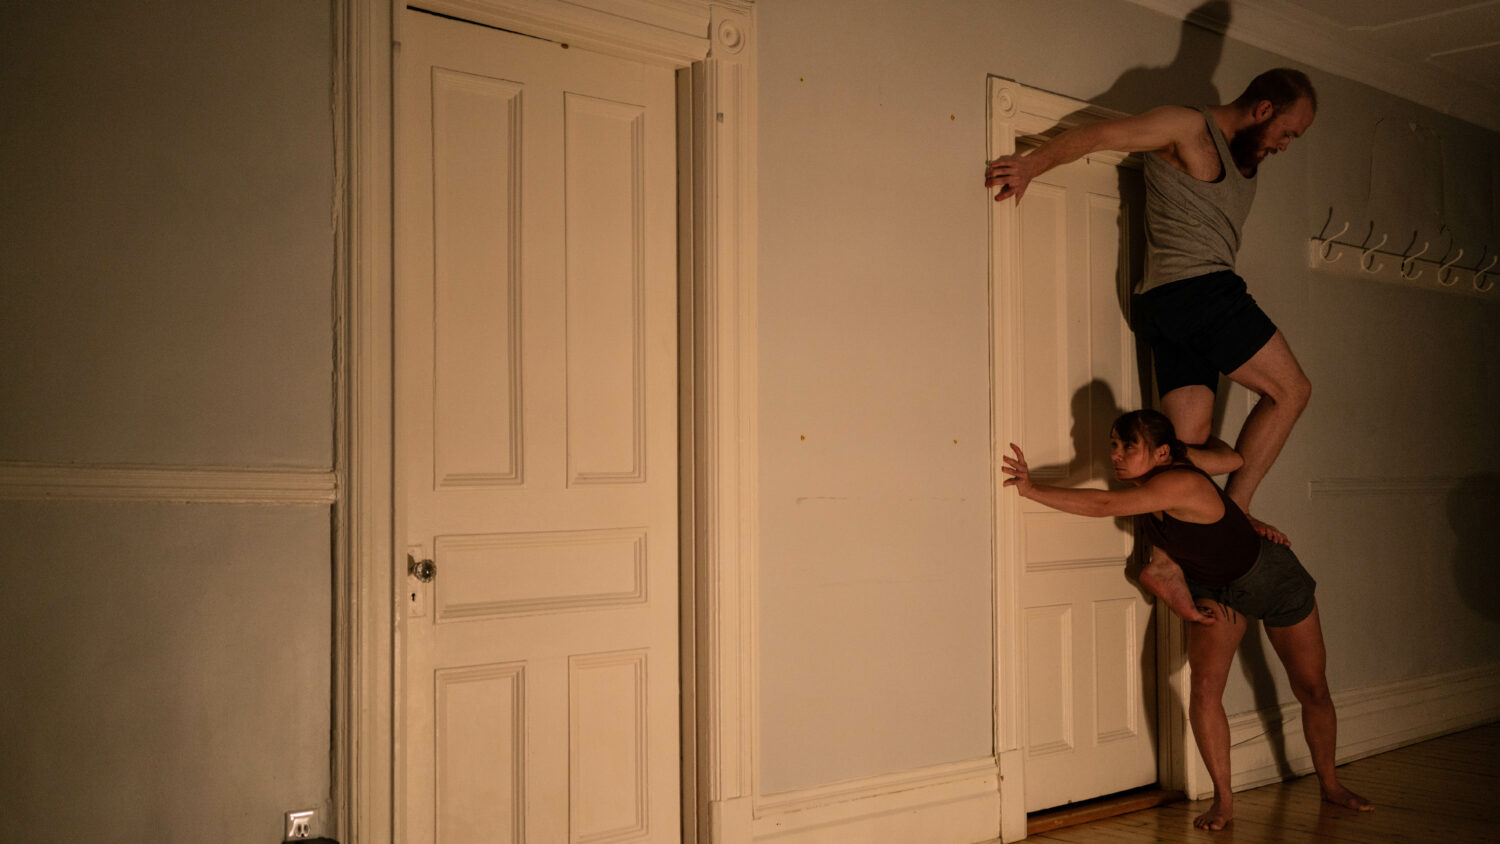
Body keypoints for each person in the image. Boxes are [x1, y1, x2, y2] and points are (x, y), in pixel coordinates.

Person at [986, 69, 1317, 624]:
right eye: (1289, 132)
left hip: (1166, 308)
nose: (1286, 145)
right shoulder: (1189, 127)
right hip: (1201, 292)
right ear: (1263, 109)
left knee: (1182, 446)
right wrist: (1031, 166)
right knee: (1292, 391)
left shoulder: (1243, 162)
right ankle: (1234, 511)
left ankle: (1163, 560)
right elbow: (1100, 136)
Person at [1002, 409, 1372, 830]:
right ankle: (1224, 802)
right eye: (1114, 446)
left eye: (1129, 446)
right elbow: (1218, 470)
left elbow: (1105, 503)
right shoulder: (1150, 483)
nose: (1117, 456)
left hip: (1272, 579)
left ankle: (1331, 785)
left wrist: (1031, 489)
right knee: (1205, 689)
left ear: (1162, 452)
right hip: (1215, 589)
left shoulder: (1178, 480)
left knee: (1312, 688)